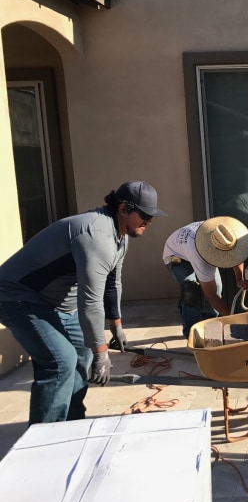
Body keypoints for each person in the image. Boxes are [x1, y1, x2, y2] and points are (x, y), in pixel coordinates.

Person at [0, 181, 166, 424]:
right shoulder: (96, 234)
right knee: (60, 362)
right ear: (122, 209)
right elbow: (90, 300)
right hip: (16, 296)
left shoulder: (120, 235)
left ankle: (72, 424)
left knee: (81, 353)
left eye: (152, 217)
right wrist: (101, 352)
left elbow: (112, 284)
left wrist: (116, 325)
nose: (148, 222)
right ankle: (44, 441)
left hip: (53, 303)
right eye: (144, 215)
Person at [163, 216, 248, 337]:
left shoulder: (226, 235)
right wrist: (232, 319)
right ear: (213, 252)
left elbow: (236, 255)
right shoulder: (201, 254)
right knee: (191, 292)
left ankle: (210, 325)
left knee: (218, 288)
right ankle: (192, 333)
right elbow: (211, 296)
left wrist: (239, 278)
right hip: (176, 255)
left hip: (191, 247)